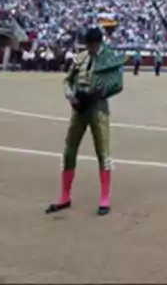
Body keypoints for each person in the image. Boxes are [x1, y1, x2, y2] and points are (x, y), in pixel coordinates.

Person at [46, 26, 125, 217]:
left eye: (92, 44)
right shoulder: (80, 58)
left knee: (102, 153)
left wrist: (99, 93)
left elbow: (118, 85)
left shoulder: (109, 58)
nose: (89, 47)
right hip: (79, 108)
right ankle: (65, 196)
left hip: (98, 109)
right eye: (87, 44)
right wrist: (71, 97)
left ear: (98, 43)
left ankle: (104, 198)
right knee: (69, 150)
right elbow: (67, 81)